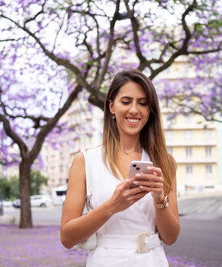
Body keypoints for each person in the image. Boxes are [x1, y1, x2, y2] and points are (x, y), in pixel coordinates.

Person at [60, 69, 179, 267]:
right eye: (126, 101)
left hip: (153, 260)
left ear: (150, 111)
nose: (134, 109)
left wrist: (159, 200)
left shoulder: (165, 161)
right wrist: (112, 206)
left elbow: (170, 237)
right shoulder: (85, 161)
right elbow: (67, 237)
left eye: (143, 103)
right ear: (111, 106)